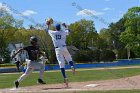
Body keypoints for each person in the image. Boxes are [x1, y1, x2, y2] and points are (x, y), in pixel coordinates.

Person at [46, 21, 75, 87]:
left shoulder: (53, 32)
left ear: (55, 28)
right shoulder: (63, 32)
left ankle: (65, 77)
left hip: (57, 49)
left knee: (61, 63)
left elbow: (47, 30)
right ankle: (72, 66)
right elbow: (69, 31)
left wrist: (48, 24)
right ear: (60, 27)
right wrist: (65, 26)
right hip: (64, 47)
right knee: (69, 58)